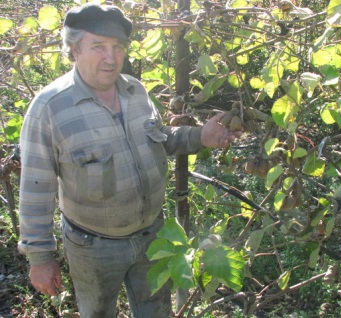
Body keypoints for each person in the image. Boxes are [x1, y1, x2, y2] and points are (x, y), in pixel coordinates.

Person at [17, 3, 241, 317]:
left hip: (153, 236)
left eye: (118, 47)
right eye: (98, 47)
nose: (111, 58)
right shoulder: (50, 108)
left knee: (156, 311)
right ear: (74, 49)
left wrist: (200, 136)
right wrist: (40, 259)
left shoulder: (136, 91)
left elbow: (160, 138)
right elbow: (35, 189)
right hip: (93, 247)